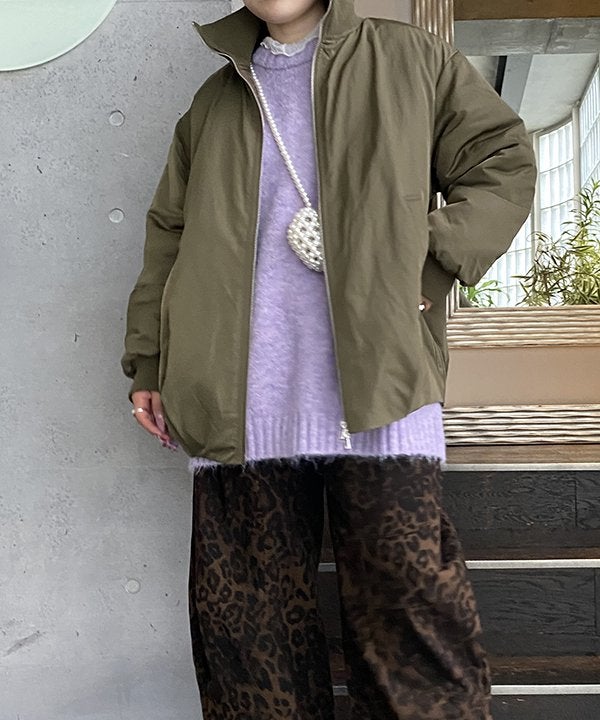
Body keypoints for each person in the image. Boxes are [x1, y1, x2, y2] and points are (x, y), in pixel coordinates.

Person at [120, 0, 537, 717]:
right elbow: (170, 235)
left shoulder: (409, 58)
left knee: (412, 637)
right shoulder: (216, 100)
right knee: (250, 653)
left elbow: (502, 162)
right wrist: (151, 363)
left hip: (381, 394)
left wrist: (425, 262)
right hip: (235, 404)